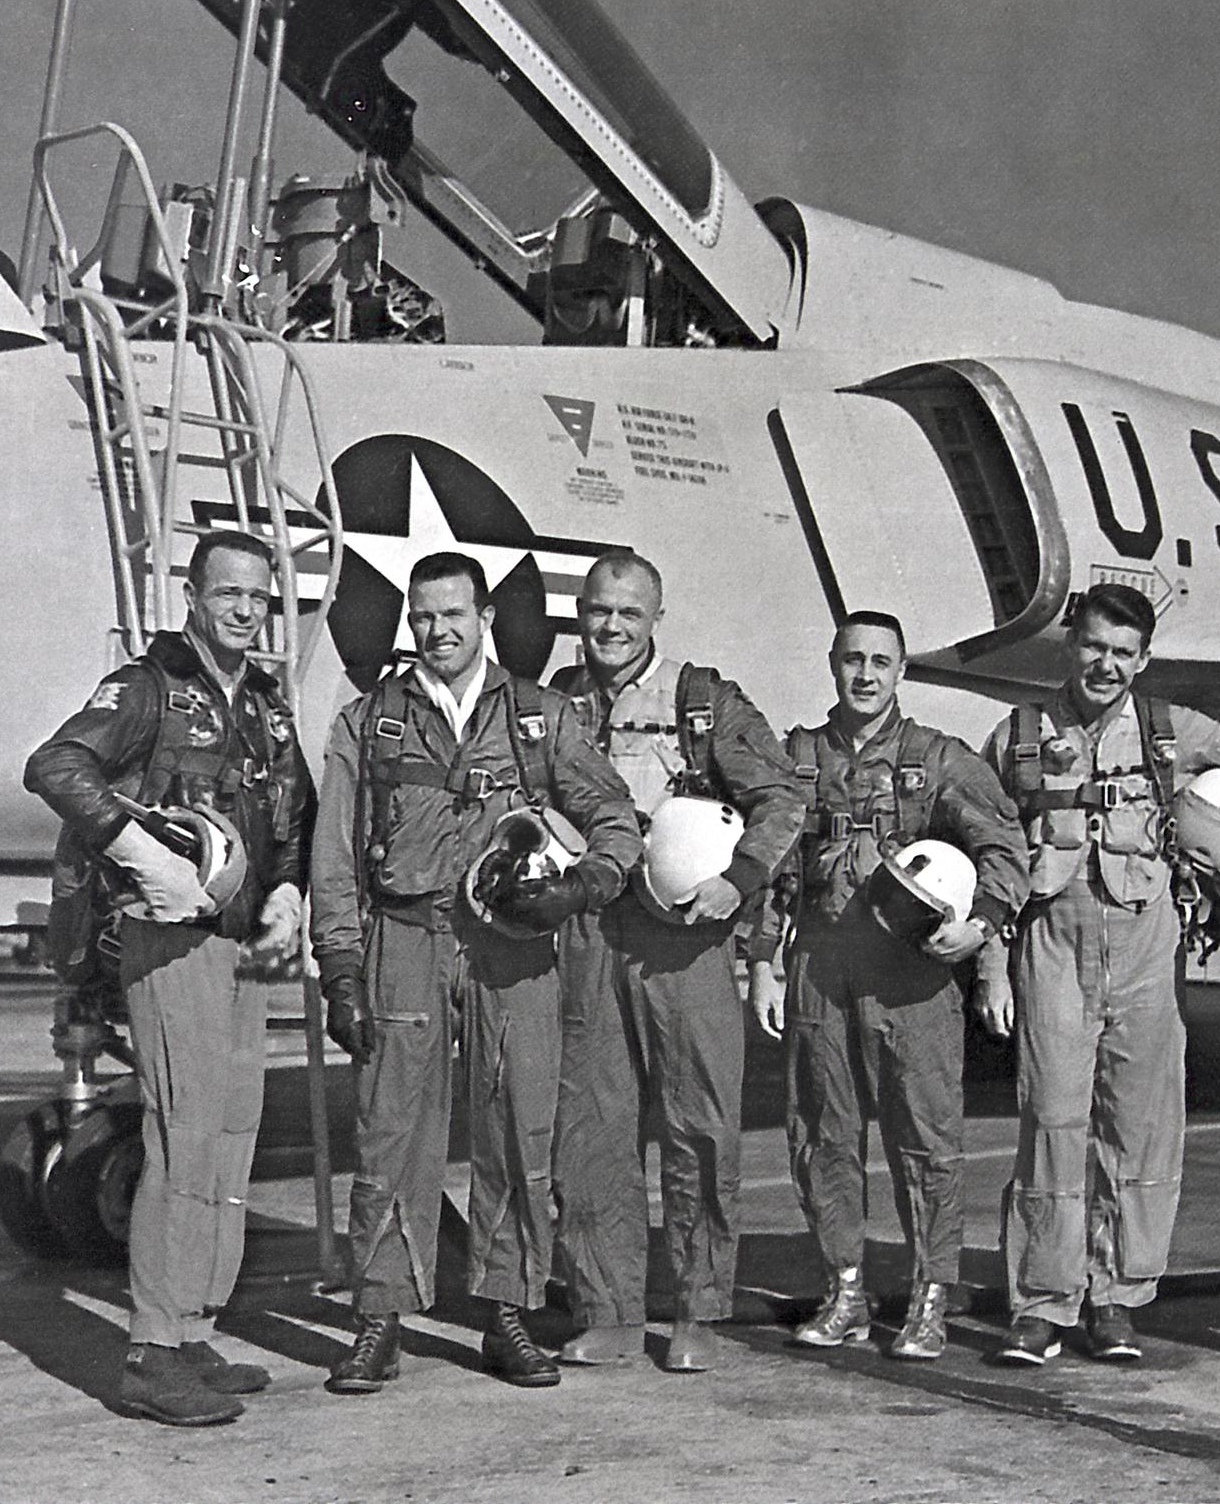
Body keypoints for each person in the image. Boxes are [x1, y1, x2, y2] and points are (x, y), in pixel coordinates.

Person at [310, 551, 641, 1395]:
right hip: (407, 940)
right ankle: (379, 1319)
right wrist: (341, 966)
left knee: (518, 1131)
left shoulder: (541, 716)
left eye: (453, 614)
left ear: (484, 618)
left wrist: (579, 888)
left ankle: (508, 1315)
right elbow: (335, 858)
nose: (438, 630)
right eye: (423, 616)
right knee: (390, 1135)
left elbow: (615, 818)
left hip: (512, 948)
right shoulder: (370, 720)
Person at [25, 530, 313, 1426]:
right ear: (192, 595)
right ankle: (150, 1349)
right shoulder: (147, 690)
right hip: (168, 937)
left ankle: (193, 1328)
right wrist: (138, 850)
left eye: (259, 598)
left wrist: (290, 893)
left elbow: (293, 812)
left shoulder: (264, 704)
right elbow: (55, 766)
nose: (245, 610)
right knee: (183, 1135)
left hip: (242, 941)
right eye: (229, 594)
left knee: (230, 1137)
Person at [978, 584, 1220, 1365]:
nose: (1105, 664)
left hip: (1149, 942)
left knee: (1139, 1128)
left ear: (1142, 659)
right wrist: (991, 969)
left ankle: (1116, 1298)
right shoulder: (1016, 737)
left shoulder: (1173, 731)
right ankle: (1043, 1302)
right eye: (1093, 647)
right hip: (1052, 940)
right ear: (1069, 645)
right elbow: (992, 853)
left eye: (1123, 653)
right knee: (1050, 1120)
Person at [550, 552, 804, 1373]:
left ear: (656, 617)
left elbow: (783, 798)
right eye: (597, 611)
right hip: (590, 932)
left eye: (628, 613)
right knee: (593, 1129)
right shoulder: (558, 703)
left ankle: (698, 1310)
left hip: (686, 939)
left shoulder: (704, 704)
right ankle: (612, 1309)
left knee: (699, 1128)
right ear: (580, 613)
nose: (611, 627)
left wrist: (741, 881)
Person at [750, 611, 1027, 1361]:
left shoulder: (938, 759)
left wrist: (984, 924)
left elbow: (1004, 843)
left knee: (927, 1139)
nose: (865, 675)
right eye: (852, 661)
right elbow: (770, 866)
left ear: (901, 671)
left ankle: (931, 1295)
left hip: (910, 974)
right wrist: (763, 964)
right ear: (832, 664)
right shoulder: (796, 758)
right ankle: (846, 1290)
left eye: (881, 662)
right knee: (821, 1134)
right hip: (820, 967)